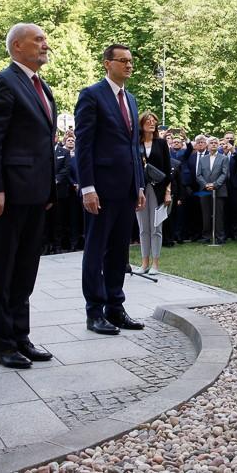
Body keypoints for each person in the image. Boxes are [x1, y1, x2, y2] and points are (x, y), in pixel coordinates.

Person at [0, 23, 58, 369]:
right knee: (3, 270)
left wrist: (49, 189)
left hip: (36, 194)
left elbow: (42, 146)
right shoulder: (3, 82)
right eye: (38, 40)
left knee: (25, 269)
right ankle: (3, 344)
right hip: (9, 194)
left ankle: (21, 336)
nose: (45, 44)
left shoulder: (42, 87)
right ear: (17, 47)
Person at [74, 44, 146, 335]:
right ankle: (94, 311)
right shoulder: (92, 96)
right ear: (107, 64)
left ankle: (115, 307)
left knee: (119, 252)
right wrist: (88, 187)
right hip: (101, 189)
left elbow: (133, 147)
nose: (129, 65)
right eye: (123, 61)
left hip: (127, 188)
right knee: (96, 250)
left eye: (131, 61)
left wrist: (139, 185)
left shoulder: (131, 99)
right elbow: (84, 144)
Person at [136, 111, 171, 274]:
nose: (152, 123)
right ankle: (144, 263)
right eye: (148, 120)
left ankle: (155, 264)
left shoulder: (161, 143)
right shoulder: (135, 143)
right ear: (141, 123)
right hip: (140, 190)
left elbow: (168, 170)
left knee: (156, 227)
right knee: (143, 228)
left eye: (154, 121)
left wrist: (168, 192)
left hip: (158, 190)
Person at [196, 136, 229, 244]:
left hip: (219, 190)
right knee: (206, 214)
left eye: (215, 142)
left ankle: (220, 237)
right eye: (211, 142)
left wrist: (215, 184)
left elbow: (225, 174)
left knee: (219, 215)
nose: (213, 144)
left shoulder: (223, 158)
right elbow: (198, 175)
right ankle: (206, 237)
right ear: (207, 145)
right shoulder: (202, 159)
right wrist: (206, 185)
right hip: (205, 190)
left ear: (218, 145)